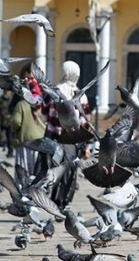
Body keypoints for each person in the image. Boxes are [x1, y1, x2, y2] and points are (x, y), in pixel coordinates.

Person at [44, 61, 90, 208]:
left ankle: (55, 200)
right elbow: (85, 122)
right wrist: (85, 145)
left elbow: (47, 115)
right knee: (70, 172)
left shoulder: (53, 92)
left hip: (55, 139)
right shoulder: (80, 94)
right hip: (73, 141)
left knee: (57, 170)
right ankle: (64, 202)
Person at [0, 90, 15, 158]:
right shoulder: (11, 100)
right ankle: (10, 152)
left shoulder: (0, 100)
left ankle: (8, 151)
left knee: (6, 137)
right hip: (7, 121)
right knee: (8, 137)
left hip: (4, 120)